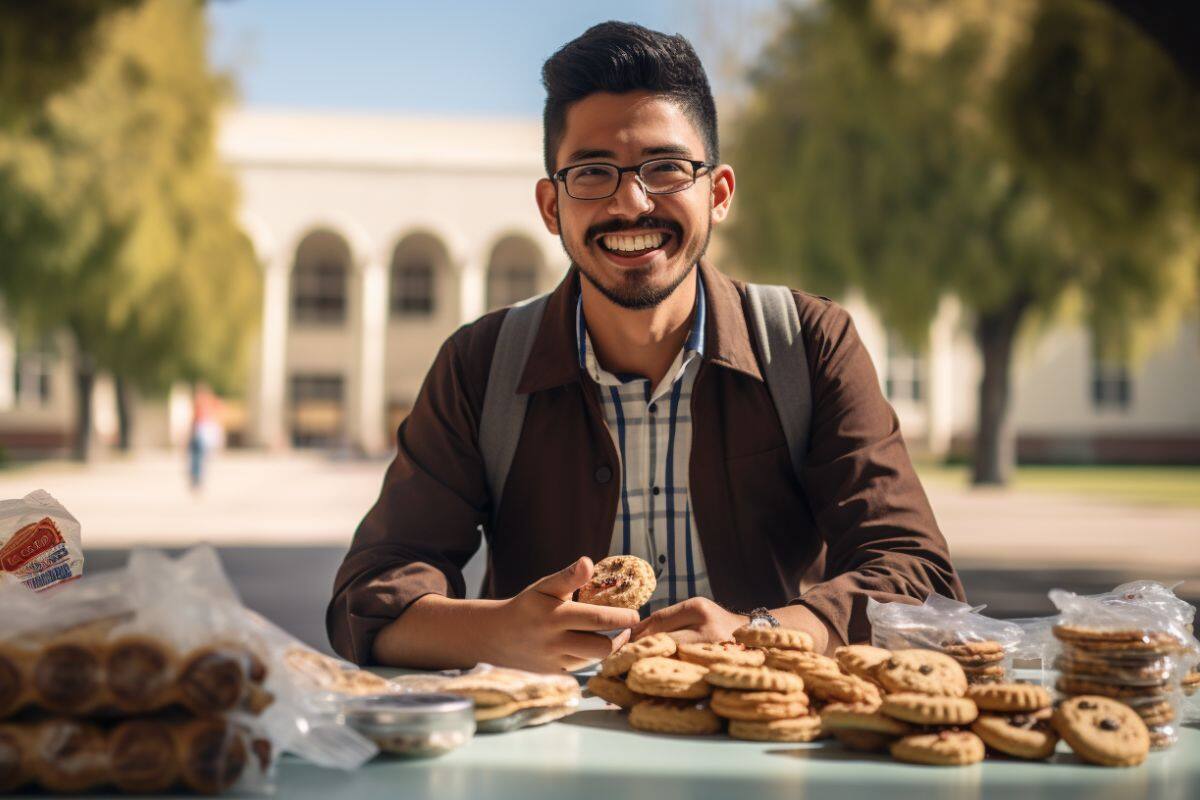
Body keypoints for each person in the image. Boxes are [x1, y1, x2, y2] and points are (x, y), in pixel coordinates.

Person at [327, 21, 964, 673]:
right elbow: (367, 599)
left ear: (717, 194)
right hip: (547, 752)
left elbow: (920, 581)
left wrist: (760, 632)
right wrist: (496, 632)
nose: (631, 204)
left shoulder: (807, 345)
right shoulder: (480, 367)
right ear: (551, 207)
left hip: (765, 751)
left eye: (665, 168)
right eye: (594, 173)